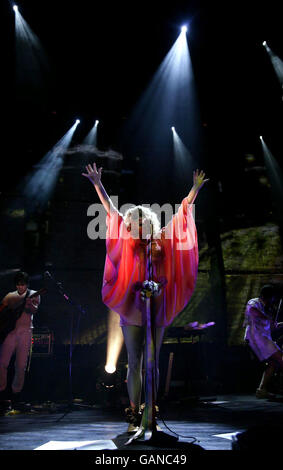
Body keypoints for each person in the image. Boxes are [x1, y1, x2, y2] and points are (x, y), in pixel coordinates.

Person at [83, 163, 208, 432]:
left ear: (150, 222)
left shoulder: (162, 241)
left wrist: (195, 189)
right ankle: (133, 410)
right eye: (134, 221)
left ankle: (150, 412)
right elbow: (110, 211)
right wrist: (98, 184)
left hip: (158, 307)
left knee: (153, 360)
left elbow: (181, 213)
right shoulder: (128, 242)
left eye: (143, 220)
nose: (138, 224)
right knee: (134, 361)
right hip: (133, 309)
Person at [0, 271, 40, 409]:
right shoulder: (10, 296)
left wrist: (29, 304)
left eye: (22, 285)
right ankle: (1, 393)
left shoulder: (34, 294)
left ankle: (16, 394)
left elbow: (34, 310)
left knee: (21, 366)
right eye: (18, 285)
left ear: (27, 284)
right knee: (2, 363)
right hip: (11, 332)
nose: (20, 287)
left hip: (26, 332)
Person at [244, 284, 283, 399]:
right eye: (271, 299)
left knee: (273, 363)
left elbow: (271, 326)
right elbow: (252, 311)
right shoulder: (254, 302)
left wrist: (278, 324)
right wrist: (267, 318)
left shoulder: (268, 309)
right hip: (256, 337)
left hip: (263, 338)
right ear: (266, 297)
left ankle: (261, 390)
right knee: (280, 358)